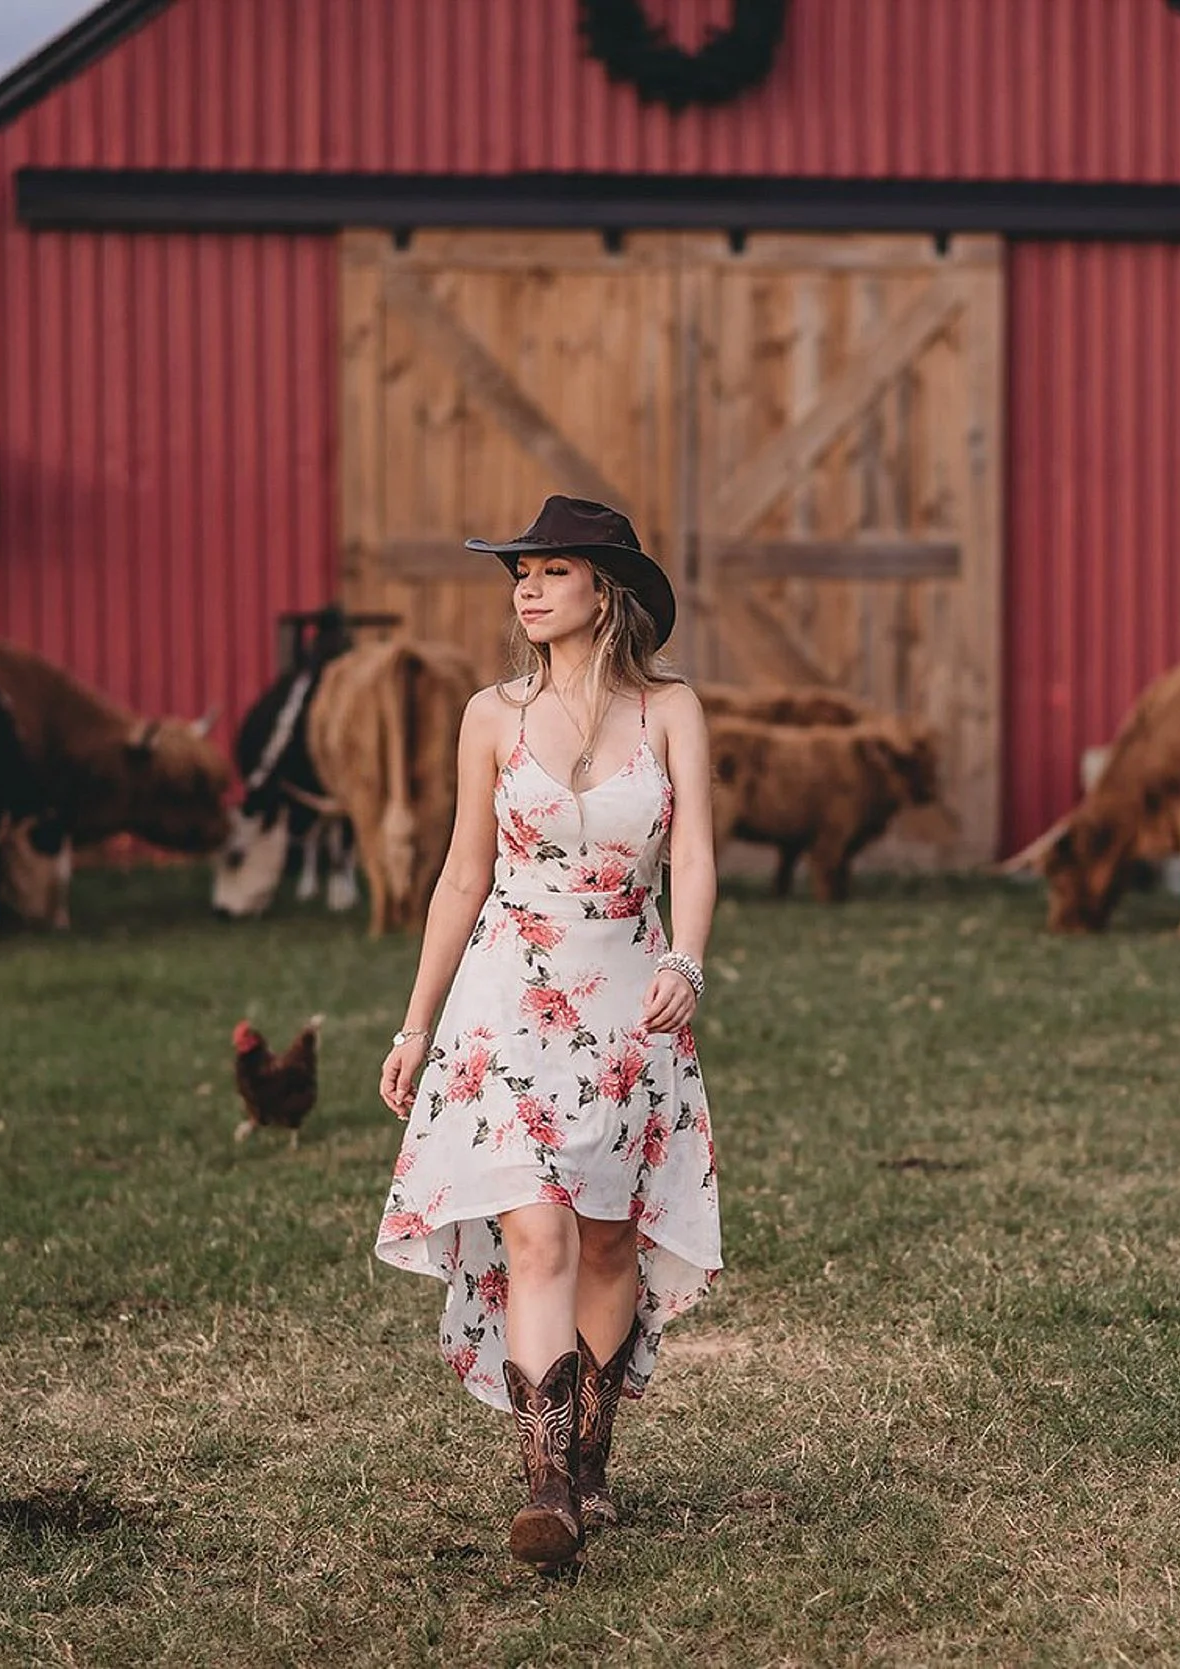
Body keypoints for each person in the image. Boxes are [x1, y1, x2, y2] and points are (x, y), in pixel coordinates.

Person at [374, 495, 725, 1573]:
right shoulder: (491, 714)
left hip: (629, 1002)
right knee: (536, 1232)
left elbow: (697, 859)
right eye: (519, 572)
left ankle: (590, 1463)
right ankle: (543, 1490)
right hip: (507, 1004)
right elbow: (462, 874)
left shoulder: (670, 711)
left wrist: (686, 964)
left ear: (604, 591)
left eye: (552, 570)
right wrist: (414, 1020)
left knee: (609, 1237)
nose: (526, 587)